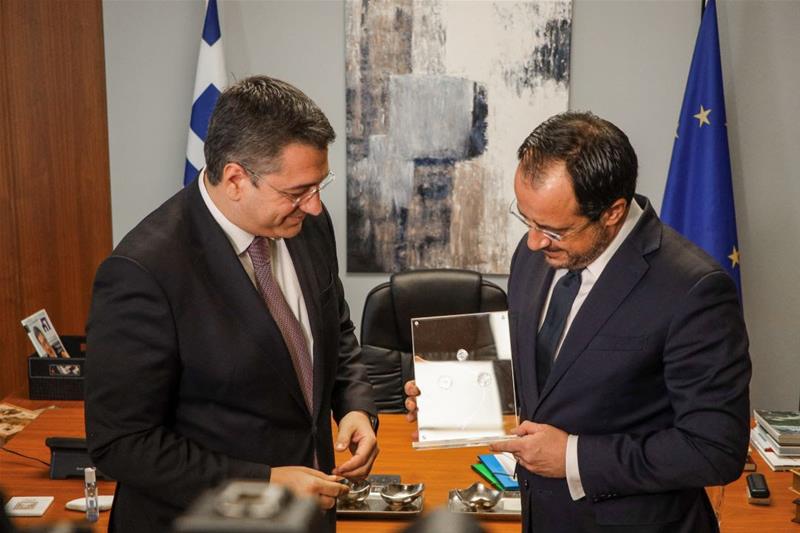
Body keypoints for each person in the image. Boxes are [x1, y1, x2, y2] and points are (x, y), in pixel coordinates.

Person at [406, 111, 751, 532]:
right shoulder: (535, 253)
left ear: (612, 212)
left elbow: (714, 449)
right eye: (526, 219)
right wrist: (453, 396)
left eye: (553, 230)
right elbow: (545, 380)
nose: (533, 241)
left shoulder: (694, 289)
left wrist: (573, 457)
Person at [85, 75, 379, 532]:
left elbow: (335, 332)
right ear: (236, 178)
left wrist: (356, 406)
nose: (315, 206)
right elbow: (122, 443)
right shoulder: (143, 271)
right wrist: (264, 483)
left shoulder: (305, 225)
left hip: (309, 518)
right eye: (297, 192)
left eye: (319, 185)